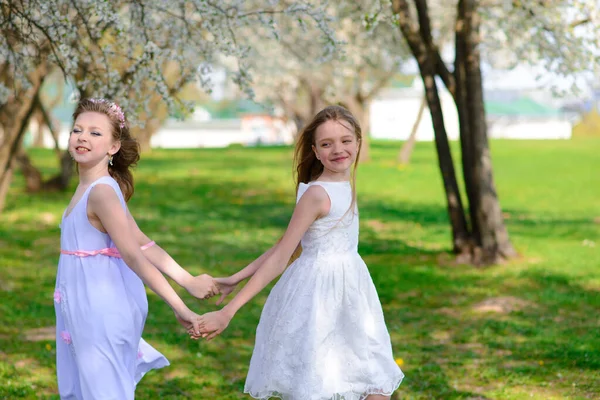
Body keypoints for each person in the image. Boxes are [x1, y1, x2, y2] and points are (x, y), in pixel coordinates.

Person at [197, 105, 404, 399]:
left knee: (372, 383)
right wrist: (229, 311)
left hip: (353, 295)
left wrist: (236, 277)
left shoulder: (343, 184)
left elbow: (290, 243)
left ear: (359, 142)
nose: (338, 149)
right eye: (326, 144)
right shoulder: (318, 194)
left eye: (346, 140)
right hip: (320, 297)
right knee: (326, 384)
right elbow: (283, 255)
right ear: (316, 151)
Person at [54, 98, 216, 399]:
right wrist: (188, 279)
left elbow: (133, 253)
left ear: (113, 146)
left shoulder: (101, 192)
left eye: (95, 132)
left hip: (100, 306)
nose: (82, 137)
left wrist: (179, 306)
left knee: (104, 391)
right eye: (77, 129)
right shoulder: (91, 187)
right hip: (81, 303)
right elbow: (142, 239)